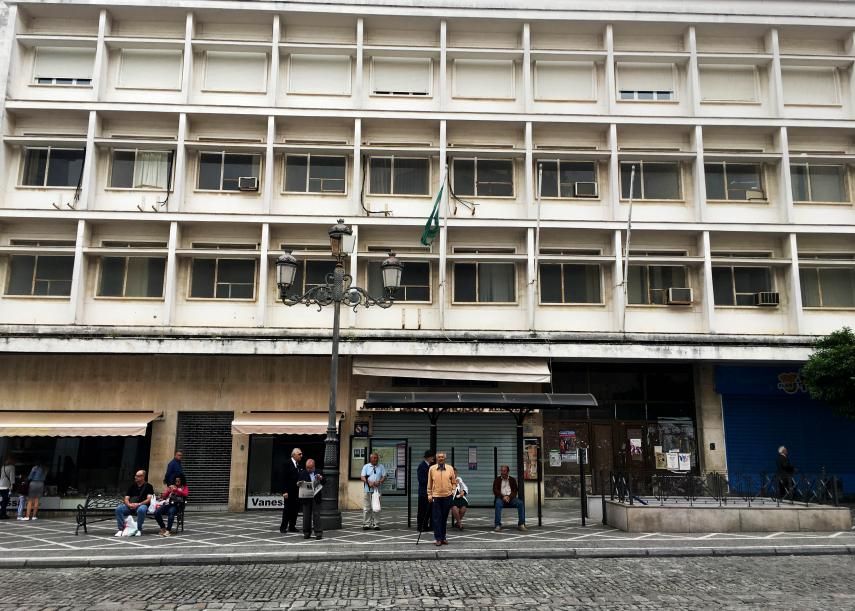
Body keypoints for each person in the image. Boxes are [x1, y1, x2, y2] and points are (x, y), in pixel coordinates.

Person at [427, 451, 457, 547]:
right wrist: (429, 495)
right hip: (436, 497)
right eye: (439, 457)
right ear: (436, 459)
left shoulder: (450, 468)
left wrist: (452, 491)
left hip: (447, 496)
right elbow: (429, 483)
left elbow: (454, 482)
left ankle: (443, 537)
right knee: (436, 519)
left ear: (445, 458)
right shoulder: (432, 469)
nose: (440, 458)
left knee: (444, 519)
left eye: (442, 457)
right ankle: (438, 539)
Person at [114, 470, 155, 536]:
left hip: (141, 505)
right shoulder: (132, 486)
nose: (135, 477)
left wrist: (138, 504)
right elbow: (126, 498)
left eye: (138, 476)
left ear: (143, 477)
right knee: (119, 509)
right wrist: (128, 504)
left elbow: (149, 499)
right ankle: (121, 529)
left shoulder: (148, 486)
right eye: (135, 475)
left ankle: (139, 529)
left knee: (142, 509)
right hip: (130, 505)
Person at [492, 464, 527, 532]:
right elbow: (495, 490)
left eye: (504, 471)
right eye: (501, 471)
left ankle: (521, 524)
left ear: (508, 472)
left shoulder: (512, 480)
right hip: (501, 498)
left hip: (511, 498)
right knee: (498, 503)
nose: (502, 472)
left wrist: (509, 497)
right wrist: (503, 497)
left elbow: (515, 490)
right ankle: (498, 525)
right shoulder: (497, 480)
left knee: (520, 503)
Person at [298, 459, 324, 540]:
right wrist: (299, 483)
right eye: (307, 468)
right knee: (306, 516)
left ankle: (318, 533)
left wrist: (321, 478)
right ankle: (306, 532)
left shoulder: (319, 471)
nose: (308, 469)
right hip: (306, 497)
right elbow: (299, 482)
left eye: (310, 468)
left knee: (316, 515)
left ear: (314, 467)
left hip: (316, 497)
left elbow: (325, 482)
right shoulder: (303, 473)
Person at [360, 452, 386, 530]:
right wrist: (369, 482)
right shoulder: (366, 466)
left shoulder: (381, 467)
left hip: (377, 490)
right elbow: (362, 477)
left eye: (377, 458)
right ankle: (366, 524)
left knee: (376, 507)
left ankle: (376, 524)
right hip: (367, 490)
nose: (376, 459)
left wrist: (380, 481)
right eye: (374, 458)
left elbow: (384, 476)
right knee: (367, 507)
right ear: (370, 459)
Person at [280, 448, 302, 534]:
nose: (301, 456)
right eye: (299, 454)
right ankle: (283, 527)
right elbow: (282, 478)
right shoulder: (286, 464)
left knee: (295, 509)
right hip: (288, 491)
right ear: (294, 455)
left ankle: (292, 526)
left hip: (297, 491)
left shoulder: (299, 465)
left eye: (301, 454)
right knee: (287, 510)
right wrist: (284, 491)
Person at [417, 449, 435, 532]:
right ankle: (420, 526)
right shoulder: (422, 466)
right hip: (423, 492)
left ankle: (425, 525)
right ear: (428, 457)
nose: (433, 458)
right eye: (432, 457)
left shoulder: (429, 466)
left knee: (428, 510)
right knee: (422, 510)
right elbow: (421, 480)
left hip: (429, 492)